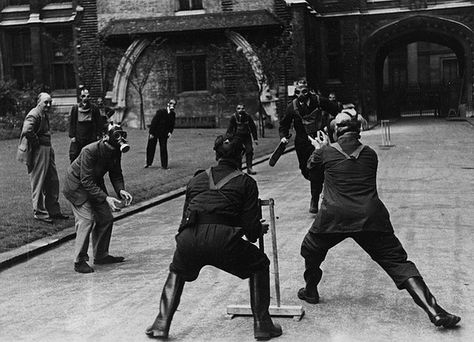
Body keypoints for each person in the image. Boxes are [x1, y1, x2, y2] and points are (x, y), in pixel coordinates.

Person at [297, 108, 461, 329]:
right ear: (358, 133)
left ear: (336, 132)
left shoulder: (325, 153)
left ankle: (310, 290)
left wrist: (319, 150)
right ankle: (436, 311)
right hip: (370, 218)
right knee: (398, 262)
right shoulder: (370, 154)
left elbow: (311, 174)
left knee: (310, 249)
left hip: (333, 218)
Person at [145, 134, 282, 340]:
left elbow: (185, 218)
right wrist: (257, 230)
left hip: (189, 238)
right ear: (241, 155)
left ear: (216, 154)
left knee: (177, 271)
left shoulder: (196, 179)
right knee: (260, 264)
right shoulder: (246, 182)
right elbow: (251, 230)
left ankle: (161, 324)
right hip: (224, 240)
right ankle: (262, 325)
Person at [63, 123, 133, 274]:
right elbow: (85, 180)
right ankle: (79, 261)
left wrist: (121, 190)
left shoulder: (116, 151)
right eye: (116, 135)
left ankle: (101, 255)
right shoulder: (90, 150)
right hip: (76, 186)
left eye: (122, 134)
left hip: (93, 183)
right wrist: (106, 197)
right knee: (86, 220)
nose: (120, 138)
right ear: (105, 137)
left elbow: (116, 173)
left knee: (106, 218)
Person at [279, 80, 339, 213]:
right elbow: (284, 124)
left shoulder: (318, 100)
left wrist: (336, 124)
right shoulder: (292, 107)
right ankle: (319, 183)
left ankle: (314, 200)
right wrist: (283, 136)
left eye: (304, 91)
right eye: (298, 92)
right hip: (302, 141)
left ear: (309, 91)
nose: (301, 94)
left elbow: (336, 110)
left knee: (315, 169)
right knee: (305, 170)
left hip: (317, 139)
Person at [17, 92, 69, 224]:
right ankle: (39, 212)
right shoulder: (34, 114)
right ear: (39, 102)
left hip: (47, 149)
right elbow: (27, 130)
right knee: (38, 181)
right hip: (39, 151)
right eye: (46, 102)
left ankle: (53, 211)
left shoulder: (43, 114)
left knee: (52, 180)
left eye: (50, 102)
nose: (49, 104)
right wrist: (36, 143)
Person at [68, 88, 102, 163]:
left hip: (91, 136)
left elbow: (99, 122)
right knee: (74, 155)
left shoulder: (94, 108)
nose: (85, 98)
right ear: (80, 97)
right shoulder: (75, 108)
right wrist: (72, 136)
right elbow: (72, 122)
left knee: (91, 155)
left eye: (88, 96)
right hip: (78, 136)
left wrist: (98, 135)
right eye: (83, 96)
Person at [226, 103, 259, 175]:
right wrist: (228, 138)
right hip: (237, 137)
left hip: (247, 136)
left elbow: (253, 127)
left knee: (249, 150)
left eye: (242, 108)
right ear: (236, 110)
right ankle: (239, 169)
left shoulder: (248, 117)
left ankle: (249, 168)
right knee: (238, 153)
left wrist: (255, 138)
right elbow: (230, 129)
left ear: (245, 109)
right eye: (239, 108)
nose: (241, 110)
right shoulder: (233, 117)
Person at [145, 99, 177, 169]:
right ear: (168, 104)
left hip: (164, 134)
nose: (172, 105)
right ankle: (148, 163)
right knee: (150, 147)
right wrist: (151, 133)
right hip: (155, 132)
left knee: (163, 148)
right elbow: (154, 122)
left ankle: (164, 165)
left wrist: (170, 132)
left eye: (174, 104)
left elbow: (172, 125)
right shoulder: (161, 112)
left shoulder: (172, 114)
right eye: (171, 103)